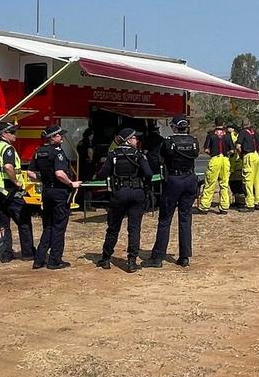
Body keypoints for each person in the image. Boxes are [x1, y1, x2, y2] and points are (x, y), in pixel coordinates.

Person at [95, 128, 154, 273]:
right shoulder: (138, 155)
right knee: (134, 228)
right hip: (136, 193)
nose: (137, 140)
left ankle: (106, 258)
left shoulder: (113, 155)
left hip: (119, 194)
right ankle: (132, 261)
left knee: (113, 227)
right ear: (128, 140)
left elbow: (102, 174)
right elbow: (148, 174)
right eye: (134, 138)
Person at [145, 115, 199, 268]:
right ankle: (184, 256)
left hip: (174, 180)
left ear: (174, 127)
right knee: (185, 219)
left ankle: (158, 257)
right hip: (190, 179)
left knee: (165, 219)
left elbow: (157, 160)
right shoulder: (194, 141)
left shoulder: (168, 142)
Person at [30, 124, 82, 269]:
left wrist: (46, 180)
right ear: (53, 137)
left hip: (46, 192)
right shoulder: (57, 152)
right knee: (59, 227)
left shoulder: (39, 152)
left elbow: (30, 173)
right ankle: (55, 260)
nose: (63, 139)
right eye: (60, 136)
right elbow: (60, 173)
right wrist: (71, 183)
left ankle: (39, 259)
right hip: (59, 193)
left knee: (48, 226)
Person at [0, 121, 34, 262]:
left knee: (3, 225)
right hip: (10, 191)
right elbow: (8, 167)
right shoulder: (8, 149)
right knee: (24, 221)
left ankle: (5, 254)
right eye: (12, 132)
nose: (15, 135)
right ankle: (28, 253)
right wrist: (16, 182)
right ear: (4, 134)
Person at [200, 122, 234, 214]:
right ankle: (224, 207)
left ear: (215, 123)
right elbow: (232, 150)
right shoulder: (227, 135)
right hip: (225, 160)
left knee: (210, 184)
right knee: (224, 184)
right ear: (223, 124)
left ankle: (205, 206)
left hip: (215, 159)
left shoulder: (211, 135)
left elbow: (206, 149)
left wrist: (211, 153)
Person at [237, 118, 259, 210]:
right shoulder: (253, 132)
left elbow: (238, 146)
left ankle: (250, 204)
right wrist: (256, 151)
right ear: (249, 123)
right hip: (256, 156)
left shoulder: (242, 133)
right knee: (256, 180)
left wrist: (241, 154)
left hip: (248, 156)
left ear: (242, 125)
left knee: (248, 181)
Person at [226, 123, 246, 208]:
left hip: (237, 162)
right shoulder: (230, 136)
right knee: (232, 182)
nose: (228, 129)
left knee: (238, 182)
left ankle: (241, 202)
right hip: (232, 163)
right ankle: (237, 200)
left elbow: (235, 148)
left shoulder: (235, 136)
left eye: (229, 128)